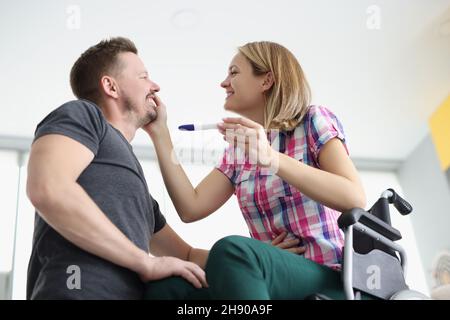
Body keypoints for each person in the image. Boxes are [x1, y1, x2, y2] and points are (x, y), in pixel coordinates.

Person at [146, 41, 368, 299]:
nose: (224, 83)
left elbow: (354, 198)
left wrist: (270, 158)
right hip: (270, 276)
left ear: (266, 80)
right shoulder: (240, 151)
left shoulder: (312, 120)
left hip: (330, 276)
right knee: (168, 288)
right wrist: (160, 133)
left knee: (232, 250)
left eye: (234, 72)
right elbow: (190, 207)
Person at [26, 37, 209, 299]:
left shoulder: (139, 192)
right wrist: (145, 261)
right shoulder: (83, 115)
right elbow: (49, 188)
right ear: (111, 86)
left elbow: (187, 256)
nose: (155, 86)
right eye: (144, 77)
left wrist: (259, 257)